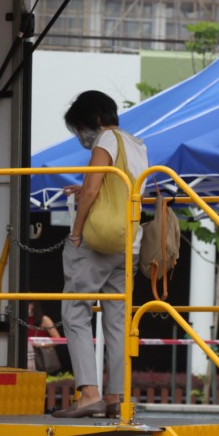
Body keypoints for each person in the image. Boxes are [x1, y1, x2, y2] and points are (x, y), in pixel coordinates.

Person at [53, 91, 148, 419]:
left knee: (75, 312)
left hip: (98, 243)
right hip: (128, 243)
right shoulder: (136, 143)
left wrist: (76, 232)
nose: (80, 136)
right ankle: (116, 397)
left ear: (91, 121)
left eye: (78, 128)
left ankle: (88, 395)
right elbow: (119, 190)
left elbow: (93, 190)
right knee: (118, 320)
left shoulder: (105, 140)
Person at [27, 301, 61, 372]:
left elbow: (57, 339)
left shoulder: (44, 319)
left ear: (32, 305)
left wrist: (41, 344)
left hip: (41, 357)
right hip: (27, 357)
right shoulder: (22, 320)